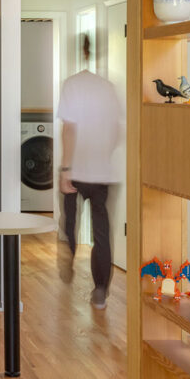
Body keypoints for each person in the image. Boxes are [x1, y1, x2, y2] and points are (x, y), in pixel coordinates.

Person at [57, 34, 121, 309]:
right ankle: (100, 290)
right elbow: (117, 130)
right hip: (102, 171)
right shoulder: (108, 87)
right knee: (102, 233)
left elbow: (69, 129)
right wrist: (104, 155)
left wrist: (66, 168)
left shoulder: (71, 84)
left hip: (77, 169)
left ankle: (69, 253)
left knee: (70, 220)